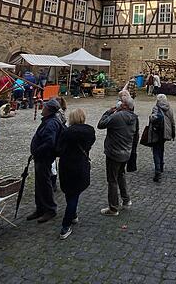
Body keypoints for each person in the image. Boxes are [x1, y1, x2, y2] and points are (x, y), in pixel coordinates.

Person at [56, 108, 96, 240]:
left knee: (71, 194)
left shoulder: (66, 133)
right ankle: (72, 215)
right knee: (74, 193)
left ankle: (65, 226)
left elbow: (59, 150)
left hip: (67, 166)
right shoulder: (90, 131)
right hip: (80, 164)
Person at [98, 95, 139, 216]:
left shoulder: (117, 116)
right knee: (121, 175)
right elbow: (136, 135)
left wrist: (108, 112)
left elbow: (100, 124)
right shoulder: (134, 118)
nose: (119, 103)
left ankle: (113, 208)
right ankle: (126, 199)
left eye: (121, 102)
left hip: (114, 153)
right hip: (126, 152)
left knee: (112, 180)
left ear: (125, 106)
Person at [27, 99, 65, 223]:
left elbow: (49, 142)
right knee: (40, 183)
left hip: (44, 157)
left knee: (44, 183)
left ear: (48, 110)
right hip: (41, 157)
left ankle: (50, 209)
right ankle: (40, 208)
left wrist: (37, 151)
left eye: (44, 107)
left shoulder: (51, 123)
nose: (42, 109)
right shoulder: (49, 121)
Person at [149, 94, 175, 182]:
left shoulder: (156, 108)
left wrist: (151, 118)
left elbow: (153, 118)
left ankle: (158, 171)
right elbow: (172, 121)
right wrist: (173, 133)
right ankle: (161, 165)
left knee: (156, 150)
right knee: (161, 148)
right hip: (165, 132)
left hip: (157, 132)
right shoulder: (169, 108)